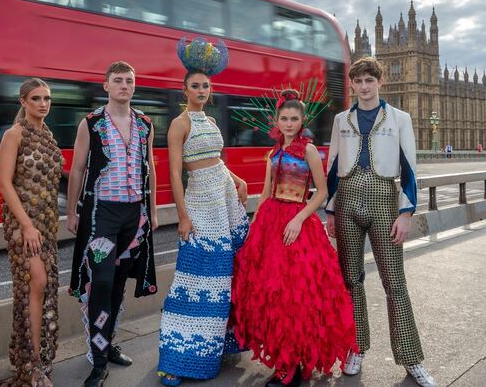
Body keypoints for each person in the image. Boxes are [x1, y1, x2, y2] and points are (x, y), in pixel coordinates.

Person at [230, 89, 357, 387]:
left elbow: (323, 192)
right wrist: (255, 224)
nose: (289, 123)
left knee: (297, 296)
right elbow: (265, 192)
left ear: (302, 120)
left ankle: (296, 364)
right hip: (271, 224)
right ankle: (285, 360)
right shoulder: (272, 152)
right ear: (277, 120)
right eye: (284, 118)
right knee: (274, 295)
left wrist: (299, 219)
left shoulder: (309, 150)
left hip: (298, 222)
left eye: (294, 119)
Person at [325, 56, 436, 387]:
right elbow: (332, 165)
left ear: (379, 82)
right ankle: (356, 348)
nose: (363, 86)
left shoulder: (399, 118)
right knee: (351, 281)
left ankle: (410, 358)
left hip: (384, 200)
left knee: (395, 283)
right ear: (352, 84)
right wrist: (330, 210)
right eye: (358, 81)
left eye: (369, 80)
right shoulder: (341, 119)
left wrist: (406, 213)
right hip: (346, 200)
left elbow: (410, 167)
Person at [157, 37, 249, 386]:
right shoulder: (180, 124)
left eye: (205, 86)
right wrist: (183, 216)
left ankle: (216, 347)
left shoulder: (209, 122)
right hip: (199, 207)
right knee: (193, 282)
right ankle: (177, 359)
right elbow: (175, 174)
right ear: (185, 89)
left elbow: (217, 162)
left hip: (223, 203)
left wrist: (238, 179)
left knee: (222, 281)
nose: (201, 90)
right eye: (195, 86)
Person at [67, 61, 159, 387]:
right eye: (117, 80)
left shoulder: (146, 124)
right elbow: (77, 169)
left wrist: (153, 209)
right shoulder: (91, 123)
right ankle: (99, 360)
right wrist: (72, 212)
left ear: (134, 86)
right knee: (101, 284)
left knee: (119, 284)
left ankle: (109, 342)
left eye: (129, 80)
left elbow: (150, 166)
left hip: (134, 218)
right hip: (101, 216)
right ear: (106, 85)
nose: (124, 85)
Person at [0, 78, 63, 386]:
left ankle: (38, 362)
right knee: (35, 282)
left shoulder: (48, 137)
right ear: (23, 101)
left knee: (43, 288)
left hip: (46, 225)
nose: (43, 103)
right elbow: (4, 184)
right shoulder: (14, 135)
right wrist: (26, 225)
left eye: (47, 98)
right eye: (36, 98)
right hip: (23, 226)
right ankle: (32, 366)